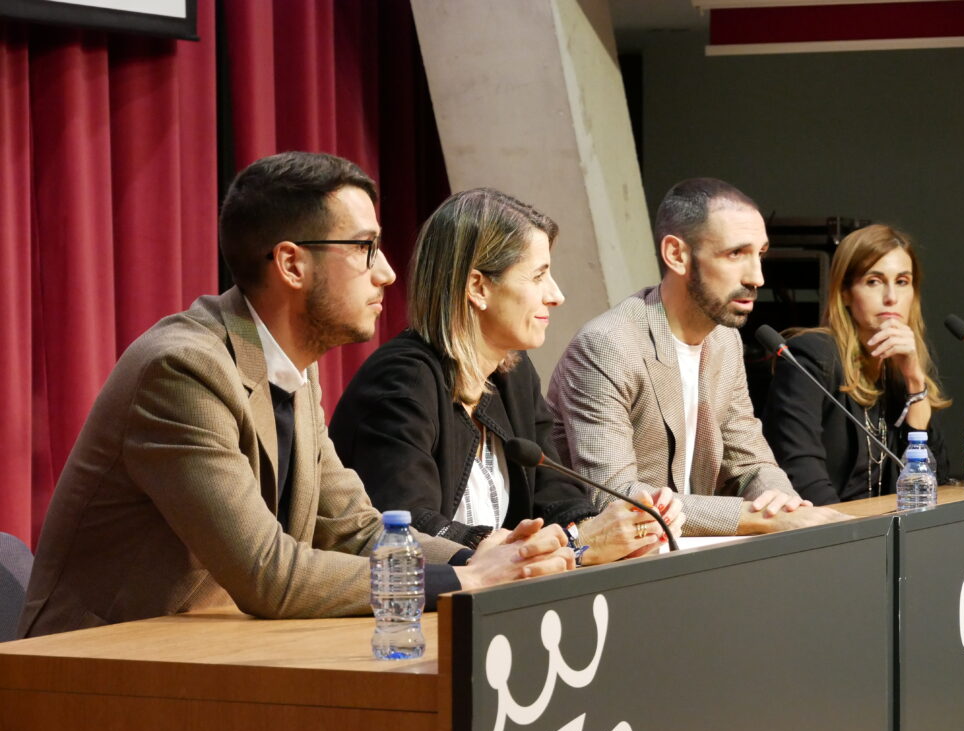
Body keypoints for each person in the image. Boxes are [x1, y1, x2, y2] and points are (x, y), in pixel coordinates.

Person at [18, 153, 572, 638]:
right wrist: (466, 578)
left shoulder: (292, 369)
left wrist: (492, 556)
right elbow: (268, 573)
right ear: (290, 264)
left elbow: (354, 529)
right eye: (365, 248)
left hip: (208, 654)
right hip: (92, 670)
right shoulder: (184, 370)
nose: (387, 272)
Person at [329, 188, 682, 566]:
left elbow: (557, 495)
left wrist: (615, 527)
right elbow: (410, 526)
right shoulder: (402, 381)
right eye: (539, 276)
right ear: (478, 287)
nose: (556, 295)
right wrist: (574, 543)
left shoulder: (512, 372)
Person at [547, 177, 849, 535]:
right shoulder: (608, 346)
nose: (757, 277)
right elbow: (616, 498)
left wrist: (784, 504)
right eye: (736, 254)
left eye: (760, 254)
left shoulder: (724, 341)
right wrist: (756, 518)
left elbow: (750, 463)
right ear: (677, 255)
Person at [762, 224, 950, 504]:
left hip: (889, 525)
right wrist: (850, 528)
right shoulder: (812, 357)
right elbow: (801, 474)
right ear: (845, 292)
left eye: (902, 281)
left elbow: (937, 480)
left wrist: (914, 381)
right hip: (829, 524)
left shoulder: (905, 363)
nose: (891, 297)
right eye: (874, 281)